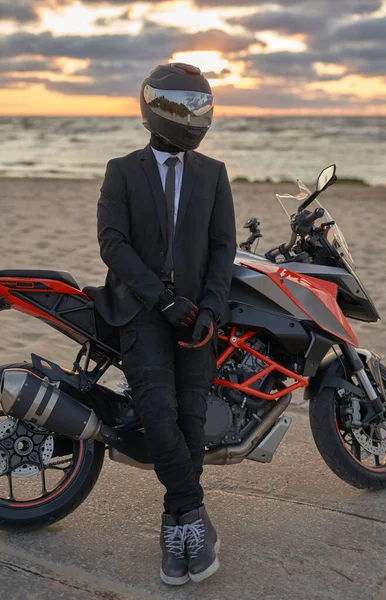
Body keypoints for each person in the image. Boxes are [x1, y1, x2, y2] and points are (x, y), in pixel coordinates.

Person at [96, 62, 236, 585]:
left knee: (193, 418)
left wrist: (209, 309)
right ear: (156, 109)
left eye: (201, 107)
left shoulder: (214, 172)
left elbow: (225, 247)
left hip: (200, 313)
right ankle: (189, 514)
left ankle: (177, 521)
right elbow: (113, 245)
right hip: (140, 310)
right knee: (158, 410)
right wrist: (164, 302)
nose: (195, 118)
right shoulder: (122, 169)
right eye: (185, 108)